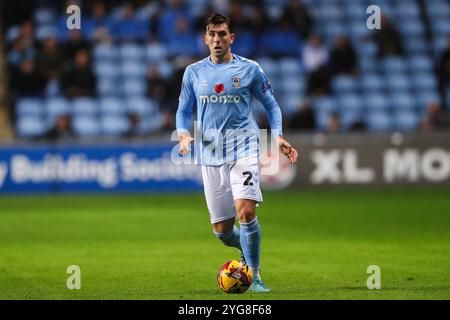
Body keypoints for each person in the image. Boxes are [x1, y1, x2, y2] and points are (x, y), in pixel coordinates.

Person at [175, 14, 298, 293]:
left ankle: (254, 276)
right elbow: (183, 111)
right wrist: (182, 134)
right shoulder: (193, 72)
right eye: (212, 35)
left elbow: (272, 105)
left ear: (232, 38)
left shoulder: (251, 69)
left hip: (244, 148)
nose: (217, 39)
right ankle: (244, 249)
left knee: (246, 212)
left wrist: (277, 136)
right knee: (221, 231)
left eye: (222, 34)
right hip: (210, 153)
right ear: (205, 39)